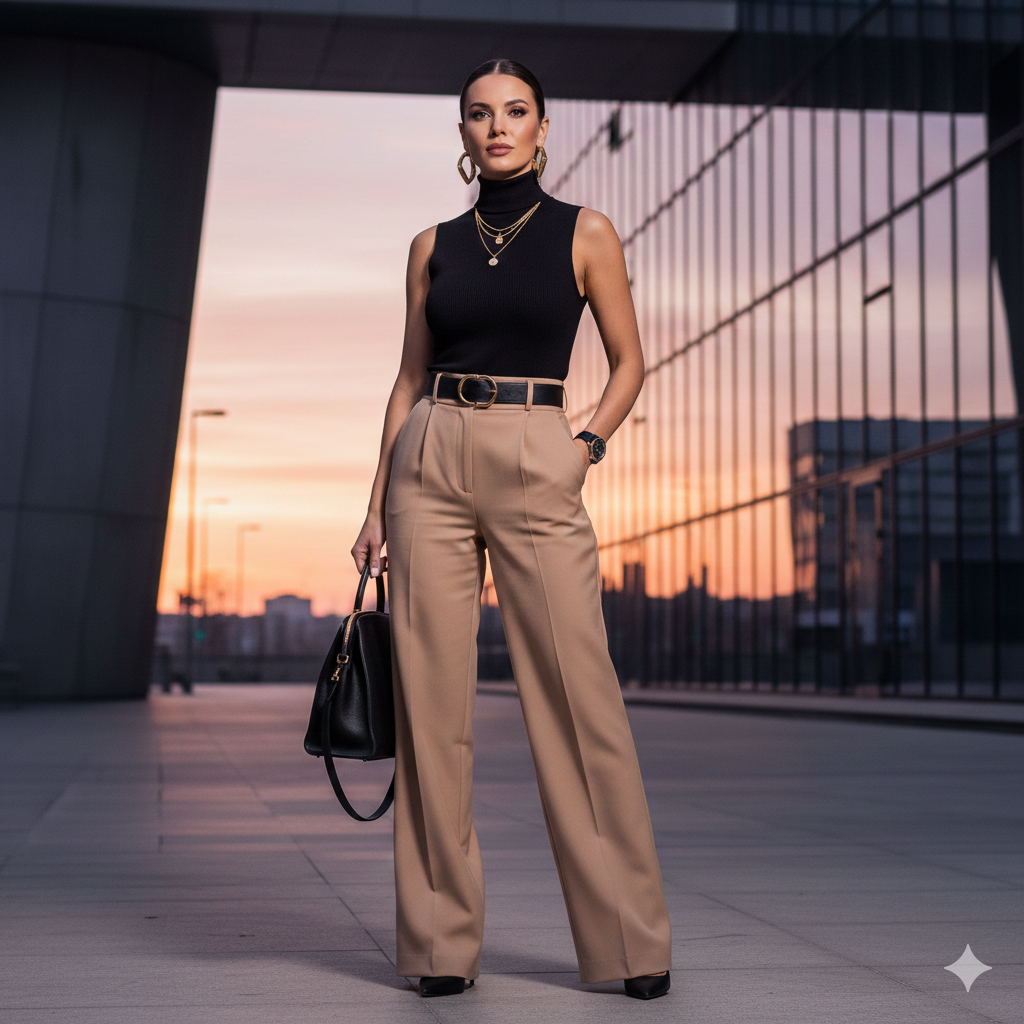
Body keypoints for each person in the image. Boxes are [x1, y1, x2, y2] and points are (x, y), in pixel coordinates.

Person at [351, 58, 672, 1001]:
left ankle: (629, 944)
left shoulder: (587, 232)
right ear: (462, 135)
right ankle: (441, 948)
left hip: (540, 449)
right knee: (431, 713)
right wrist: (375, 503)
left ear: (542, 127)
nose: (497, 127)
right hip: (431, 458)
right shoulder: (430, 246)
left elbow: (628, 361)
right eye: (479, 115)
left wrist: (585, 447)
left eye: (515, 112)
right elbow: (408, 379)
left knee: (580, 703)